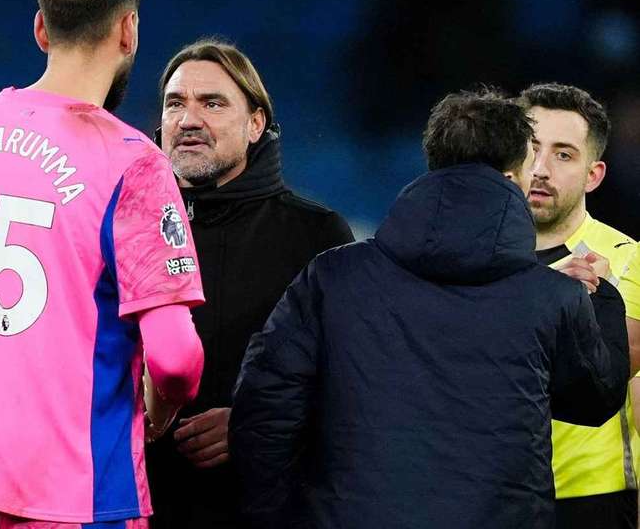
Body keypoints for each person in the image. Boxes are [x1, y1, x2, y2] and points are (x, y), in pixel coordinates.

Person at [230, 89, 630, 529]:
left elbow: (265, 407)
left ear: (433, 163)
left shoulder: (333, 277)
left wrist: (276, 515)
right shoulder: (551, 297)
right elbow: (593, 400)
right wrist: (604, 295)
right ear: (516, 175)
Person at [0, 0, 205, 529]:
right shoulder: (133, 164)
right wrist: (160, 408)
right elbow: (175, 360)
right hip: (79, 491)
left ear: (41, 28)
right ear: (129, 31)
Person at [144, 39, 354, 528]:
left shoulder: (316, 235)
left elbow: (351, 381)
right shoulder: (128, 229)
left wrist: (254, 423)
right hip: (145, 508)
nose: (189, 119)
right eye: (176, 104)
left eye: (212, 103)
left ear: (256, 123)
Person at [517, 83, 640, 529]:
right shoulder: (472, 258)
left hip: (592, 503)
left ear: (594, 174)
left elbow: (600, 374)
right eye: (531, 148)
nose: (541, 168)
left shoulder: (628, 260)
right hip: (491, 492)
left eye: (564, 154)